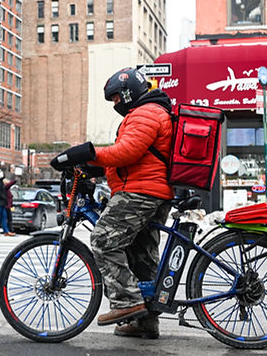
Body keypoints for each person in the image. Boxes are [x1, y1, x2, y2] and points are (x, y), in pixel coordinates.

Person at [88, 67, 173, 339]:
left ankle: (126, 302)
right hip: (151, 191)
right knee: (142, 256)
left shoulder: (146, 112)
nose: (115, 104)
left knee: (103, 240)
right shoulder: (150, 111)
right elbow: (139, 156)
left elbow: (127, 151)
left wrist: (89, 154)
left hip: (140, 193)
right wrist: (97, 167)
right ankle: (146, 322)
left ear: (128, 93)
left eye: (115, 98)